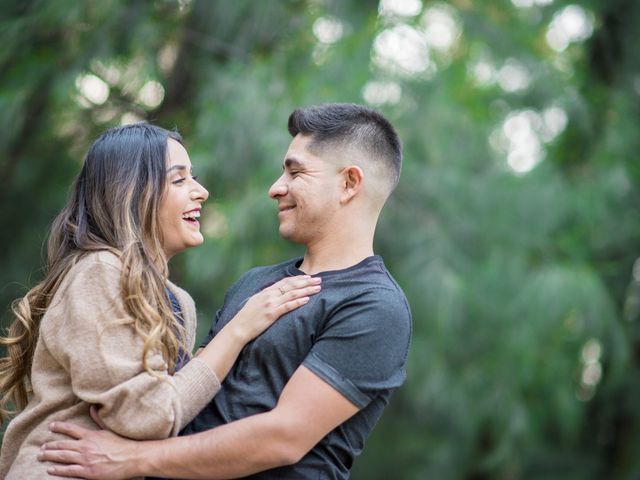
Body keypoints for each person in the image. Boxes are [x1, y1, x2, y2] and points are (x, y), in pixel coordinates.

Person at [39, 103, 412, 479]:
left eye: (295, 172)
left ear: (349, 183)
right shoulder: (254, 285)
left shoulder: (374, 305)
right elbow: (185, 391)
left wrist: (134, 459)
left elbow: (284, 437)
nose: (276, 188)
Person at [0, 123, 320, 480]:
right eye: (179, 180)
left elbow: (176, 409)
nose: (201, 191)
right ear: (131, 192)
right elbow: (149, 415)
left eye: (193, 179)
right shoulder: (100, 272)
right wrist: (238, 331)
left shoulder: (177, 301)